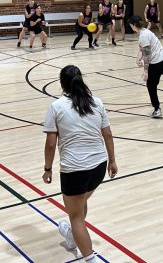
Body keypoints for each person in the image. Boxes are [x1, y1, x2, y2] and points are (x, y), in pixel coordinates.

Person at [42, 65, 118, 263]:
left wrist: (47, 169)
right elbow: (108, 135)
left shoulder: (56, 107)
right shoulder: (97, 102)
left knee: (75, 216)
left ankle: (90, 258)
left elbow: (51, 144)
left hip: (75, 170)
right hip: (99, 167)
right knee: (80, 204)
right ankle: (70, 238)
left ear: (61, 84)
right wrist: (112, 161)